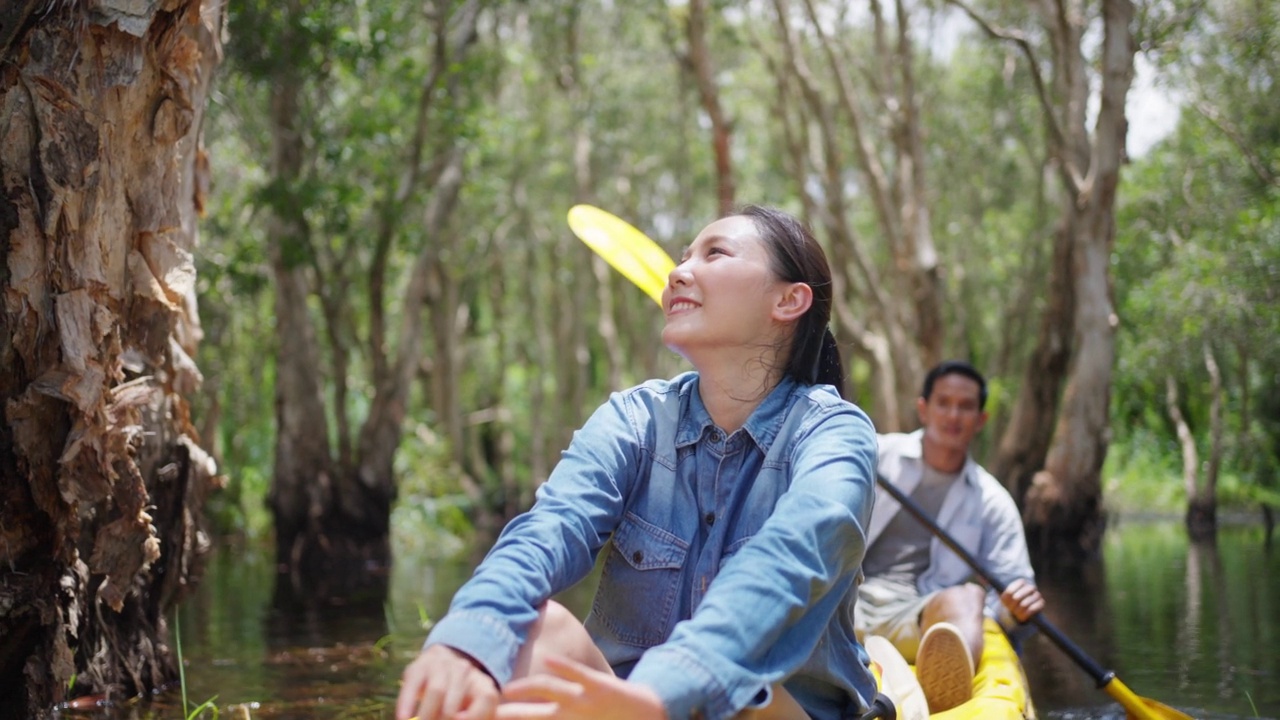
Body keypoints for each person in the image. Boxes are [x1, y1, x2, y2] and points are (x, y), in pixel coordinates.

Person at [396, 206, 881, 720]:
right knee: (535, 630)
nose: (678, 272)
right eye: (681, 257)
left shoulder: (834, 434)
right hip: (629, 704)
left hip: (770, 709)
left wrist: (661, 691)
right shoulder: (634, 419)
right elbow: (548, 530)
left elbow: (789, 560)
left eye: (714, 253)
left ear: (789, 299)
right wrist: (470, 639)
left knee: (743, 703)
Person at [854, 360, 1044, 714]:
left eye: (966, 406)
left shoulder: (991, 500)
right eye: (943, 403)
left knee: (969, 597)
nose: (953, 415)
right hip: (841, 600)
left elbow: (1013, 588)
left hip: (917, 614)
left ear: (981, 420)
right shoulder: (871, 453)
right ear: (923, 409)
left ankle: (943, 696)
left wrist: (1016, 609)